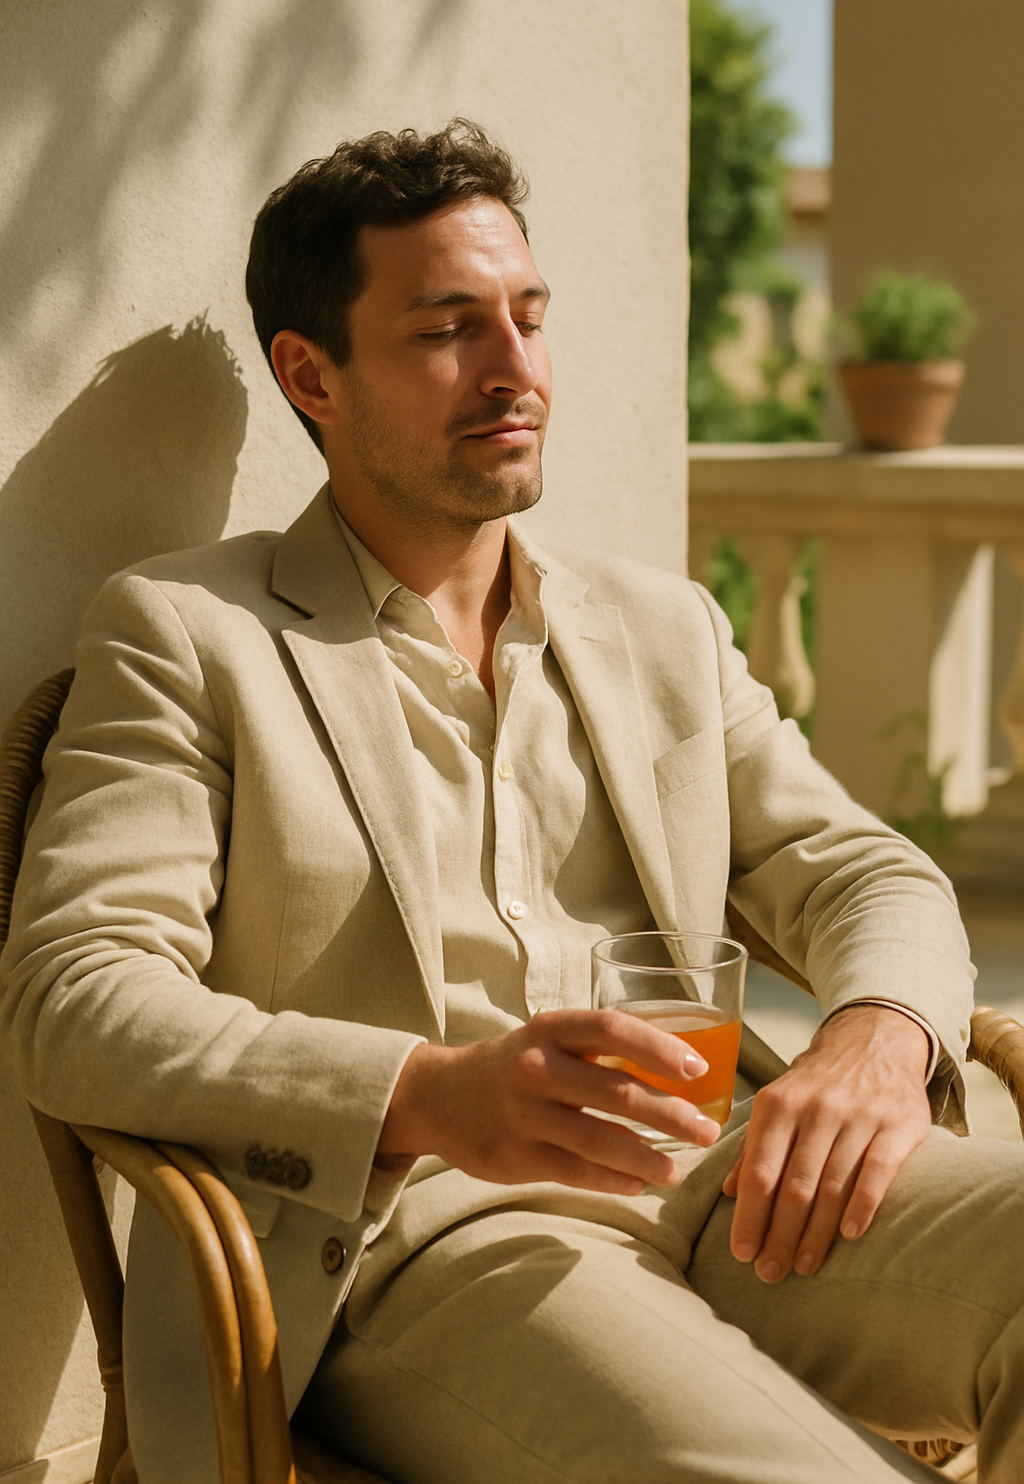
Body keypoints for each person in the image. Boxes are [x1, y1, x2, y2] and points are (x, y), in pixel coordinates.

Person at [2, 120, 1022, 1484]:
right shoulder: (190, 633)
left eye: (528, 319)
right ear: (314, 375)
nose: (516, 370)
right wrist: (426, 1094)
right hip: (411, 1236)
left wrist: (881, 1038)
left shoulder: (659, 627)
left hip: (720, 1178)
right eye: (447, 331)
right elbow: (73, 999)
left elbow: (859, 867)